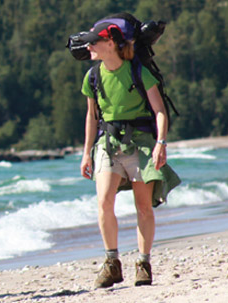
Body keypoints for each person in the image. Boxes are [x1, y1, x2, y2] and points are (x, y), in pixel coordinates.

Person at [78, 20, 179, 288]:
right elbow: (91, 116)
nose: (89, 46)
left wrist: (161, 143)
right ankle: (112, 263)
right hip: (108, 144)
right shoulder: (92, 76)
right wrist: (86, 153)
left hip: (140, 144)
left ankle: (143, 264)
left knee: (143, 207)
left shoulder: (138, 72)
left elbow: (159, 110)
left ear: (110, 44)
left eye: (94, 42)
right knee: (103, 202)